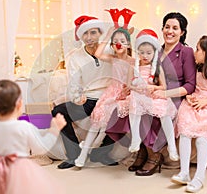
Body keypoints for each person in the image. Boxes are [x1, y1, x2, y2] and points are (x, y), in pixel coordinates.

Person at [106, 12, 196, 176]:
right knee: (128, 105)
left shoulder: (186, 52)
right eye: (167, 27)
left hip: (173, 93)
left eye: (175, 28)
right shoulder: (154, 50)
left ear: (182, 32)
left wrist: (165, 92)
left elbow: (190, 85)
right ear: (162, 29)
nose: (170, 31)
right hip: (149, 91)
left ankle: (154, 155)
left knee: (149, 111)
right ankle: (142, 150)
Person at [0, 79, 67, 194]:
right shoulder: (24, 127)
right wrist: (54, 130)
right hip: (20, 169)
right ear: (19, 104)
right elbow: (40, 148)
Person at [51, 15, 118, 169]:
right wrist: (77, 98)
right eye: (85, 34)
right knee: (59, 111)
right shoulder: (76, 57)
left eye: (93, 32)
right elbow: (74, 83)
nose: (89, 37)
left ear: (100, 33)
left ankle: (100, 154)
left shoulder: (111, 50)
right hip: (88, 100)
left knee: (124, 115)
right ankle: (74, 155)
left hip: (109, 98)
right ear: (81, 36)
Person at [171, 35, 207, 193]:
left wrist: (206, 102)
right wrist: (189, 97)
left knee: (201, 139)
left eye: (198, 49)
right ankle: (184, 173)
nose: (194, 52)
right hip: (193, 104)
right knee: (185, 134)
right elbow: (191, 87)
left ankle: (199, 177)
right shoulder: (197, 68)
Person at [74, 26, 135, 167]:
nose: (118, 43)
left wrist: (124, 92)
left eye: (122, 41)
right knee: (97, 118)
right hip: (111, 91)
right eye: (115, 41)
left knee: (108, 117)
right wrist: (108, 35)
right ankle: (82, 156)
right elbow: (98, 53)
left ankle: (95, 144)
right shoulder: (113, 59)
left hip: (124, 94)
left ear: (128, 44)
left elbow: (130, 83)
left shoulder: (132, 61)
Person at [128, 29, 178, 159]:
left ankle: (172, 146)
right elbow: (129, 84)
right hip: (139, 96)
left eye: (148, 53)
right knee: (133, 101)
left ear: (154, 53)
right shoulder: (134, 68)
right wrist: (135, 88)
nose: (145, 56)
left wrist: (152, 87)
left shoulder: (156, 68)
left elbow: (163, 86)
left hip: (153, 95)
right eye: (142, 53)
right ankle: (135, 139)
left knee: (163, 111)